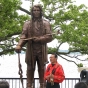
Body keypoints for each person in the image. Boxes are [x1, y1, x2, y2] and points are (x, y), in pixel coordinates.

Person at [15, 4, 52, 88]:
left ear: (40, 11)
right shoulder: (27, 23)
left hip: (41, 49)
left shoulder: (46, 23)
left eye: (37, 10)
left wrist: (39, 39)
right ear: (32, 12)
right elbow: (23, 36)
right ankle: (29, 85)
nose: (36, 12)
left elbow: (49, 36)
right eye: (34, 10)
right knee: (30, 68)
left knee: (42, 68)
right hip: (31, 49)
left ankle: (42, 85)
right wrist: (19, 45)